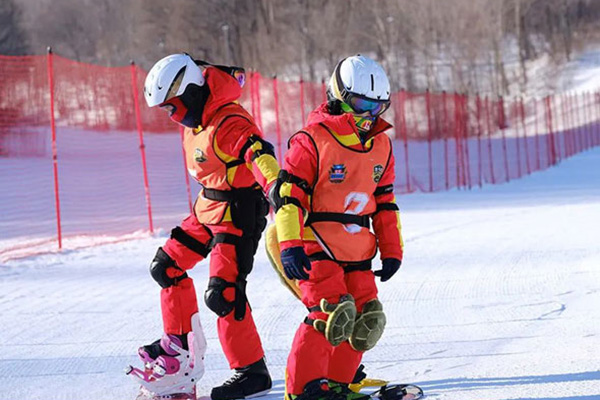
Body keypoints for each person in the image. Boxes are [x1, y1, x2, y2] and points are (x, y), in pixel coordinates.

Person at [127, 53, 280, 399]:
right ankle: (178, 350)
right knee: (166, 267)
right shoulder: (198, 121)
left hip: (239, 212)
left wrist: (274, 186)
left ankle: (252, 371)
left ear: (192, 92)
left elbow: (258, 153)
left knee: (223, 293)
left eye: (173, 107)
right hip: (207, 207)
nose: (172, 116)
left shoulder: (228, 121)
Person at [270, 55, 404, 400]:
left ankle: (339, 385)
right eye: (361, 104)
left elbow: (386, 203)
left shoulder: (382, 145)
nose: (368, 115)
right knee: (328, 313)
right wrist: (290, 244)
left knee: (365, 320)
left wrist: (392, 250)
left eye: (378, 107)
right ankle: (304, 390)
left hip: (358, 247)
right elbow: (290, 197)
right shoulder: (312, 139)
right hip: (316, 243)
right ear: (339, 95)